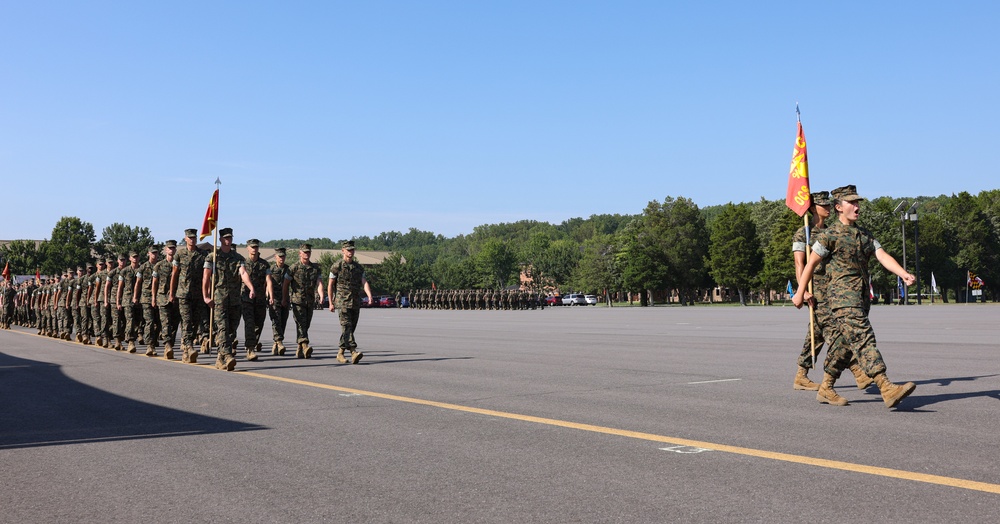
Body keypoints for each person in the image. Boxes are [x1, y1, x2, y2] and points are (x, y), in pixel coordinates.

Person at [793, 185, 917, 408]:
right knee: (863, 337)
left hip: (860, 298)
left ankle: (826, 388)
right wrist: (800, 292)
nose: (857, 206)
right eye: (852, 202)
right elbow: (809, 263)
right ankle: (885, 386)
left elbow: (882, 255)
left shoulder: (864, 235)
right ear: (839, 207)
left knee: (843, 344)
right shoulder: (829, 235)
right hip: (841, 299)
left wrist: (903, 273)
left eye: (858, 202)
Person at [791, 191, 872, 393]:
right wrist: (803, 289)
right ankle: (857, 371)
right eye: (822, 205)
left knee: (818, 331)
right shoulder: (804, 233)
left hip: (833, 287)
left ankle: (801, 374)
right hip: (815, 287)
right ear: (811, 208)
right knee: (835, 331)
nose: (827, 207)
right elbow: (800, 263)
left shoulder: (831, 231)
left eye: (828, 204)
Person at [203, 228, 256, 371]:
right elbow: (206, 277)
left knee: (232, 330)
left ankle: (220, 359)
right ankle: (227, 356)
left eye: (230, 238)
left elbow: (243, 273)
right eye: (225, 238)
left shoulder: (238, 258)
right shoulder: (213, 257)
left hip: (234, 300)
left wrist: (251, 287)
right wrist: (206, 296)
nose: (228, 240)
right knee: (223, 328)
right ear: (220, 239)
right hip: (219, 299)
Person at [328, 240, 373, 364]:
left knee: (349, 329)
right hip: (342, 302)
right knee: (346, 326)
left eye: (352, 250)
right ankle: (354, 352)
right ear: (343, 251)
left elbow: (364, 282)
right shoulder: (337, 266)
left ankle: (340, 353)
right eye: (348, 250)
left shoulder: (358, 267)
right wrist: (331, 302)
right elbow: (330, 284)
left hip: (355, 302)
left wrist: (369, 295)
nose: (350, 252)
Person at [282, 243, 324, 359]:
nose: (307, 254)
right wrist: (284, 298)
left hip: (310, 301)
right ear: (300, 253)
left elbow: (319, 283)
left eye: (308, 252)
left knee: (306, 324)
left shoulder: (315, 268)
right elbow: (286, 285)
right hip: (297, 301)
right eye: (304, 252)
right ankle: (305, 345)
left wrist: (321, 295)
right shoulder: (293, 268)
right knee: (301, 323)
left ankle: (299, 348)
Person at [172, 229, 208, 363]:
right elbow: (174, 275)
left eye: (194, 238)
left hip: (198, 294)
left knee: (195, 322)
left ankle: (188, 349)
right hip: (183, 294)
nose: (192, 240)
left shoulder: (202, 254)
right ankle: (189, 347)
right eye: (190, 238)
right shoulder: (180, 254)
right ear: (185, 239)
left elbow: (208, 274)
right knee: (186, 321)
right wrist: (172, 293)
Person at [241, 239, 273, 361]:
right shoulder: (242, 263)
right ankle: (250, 349)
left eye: (256, 247)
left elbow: (268, 280)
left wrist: (270, 295)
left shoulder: (264, 264)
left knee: (259, 324)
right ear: (248, 248)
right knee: (249, 323)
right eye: (252, 247)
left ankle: (252, 343)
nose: (254, 249)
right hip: (246, 298)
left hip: (260, 299)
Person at [152, 240, 180, 360]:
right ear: (166, 250)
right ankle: (167, 345)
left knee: (174, 323)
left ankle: (170, 344)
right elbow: (155, 283)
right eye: (169, 248)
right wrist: (153, 297)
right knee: (165, 322)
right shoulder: (159, 266)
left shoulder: (179, 264)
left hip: (176, 298)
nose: (172, 250)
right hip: (162, 297)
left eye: (173, 248)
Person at [134, 246, 161, 356]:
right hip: (146, 298)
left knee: (159, 322)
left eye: (156, 253)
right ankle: (150, 345)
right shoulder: (143, 267)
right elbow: (138, 283)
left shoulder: (160, 266)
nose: (154, 255)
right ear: (148, 254)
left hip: (160, 297)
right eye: (152, 253)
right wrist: (135, 296)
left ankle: (154, 340)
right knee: (149, 321)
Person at [267, 247, 290, 355]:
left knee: (283, 322)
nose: (282, 258)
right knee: (276, 321)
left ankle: (276, 343)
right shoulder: (270, 270)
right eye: (280, 256)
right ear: (275, 257)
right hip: (274, 299)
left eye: (283, 256)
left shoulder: (289, 270)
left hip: (285, 299)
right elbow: (265, 283)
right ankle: (279, 342)